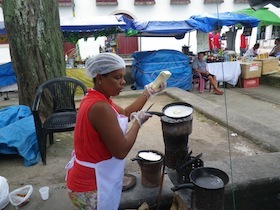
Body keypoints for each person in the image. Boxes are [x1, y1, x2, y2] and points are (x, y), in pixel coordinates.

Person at [65, 53, 165, 210]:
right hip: (90, 185)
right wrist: (138, 123)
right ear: (100, 78)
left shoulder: (97, 97)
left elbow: (125, 113)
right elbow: (121, 150)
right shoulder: (100, 107)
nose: (123, 82)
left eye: (123, 77)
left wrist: (148, 93)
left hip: (89, 178)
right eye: (117, 78)